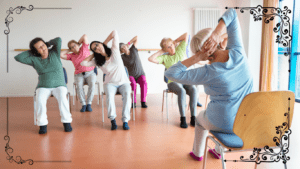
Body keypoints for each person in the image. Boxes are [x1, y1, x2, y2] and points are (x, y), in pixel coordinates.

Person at [164, 8, 253, 161]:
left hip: (224, 122)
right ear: (216, 41)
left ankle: (197, 154)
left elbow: (170, 73)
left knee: (199, 119)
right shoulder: (238, 52)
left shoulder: (208, 72)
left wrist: (197, 57)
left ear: (203, 52)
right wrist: (217, 32)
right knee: (224, 113)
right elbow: (231, 13)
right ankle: (218, 150)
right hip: (247, 120)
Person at [14, 37, 73, 134]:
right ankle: (42, 124)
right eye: (39, 48)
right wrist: (31, 51)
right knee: (40, 99)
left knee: (63, 97)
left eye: (43, 45)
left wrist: (47, 43)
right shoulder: (34, 59)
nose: (43, 48)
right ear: (36, 50)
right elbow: (18, 58)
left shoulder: (54, 53)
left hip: (59, 85)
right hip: (43, 86)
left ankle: (67, 122)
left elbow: (58, 40)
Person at [81, 30, 131, 130]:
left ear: (100, 43)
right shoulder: (97, 61)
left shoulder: (114, 50)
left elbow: (115, 32)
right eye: (94, 48)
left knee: (127, 95)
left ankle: (125, 121)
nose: (97, 48)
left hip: (124, 82)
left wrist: (104, 42)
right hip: (110, 83)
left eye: (97, 45)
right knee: (109, 96)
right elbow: (83, 63)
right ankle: (113, 120)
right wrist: (94, 54)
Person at [148, 33, 198, 128]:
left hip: (184, 80)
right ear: (165, 49)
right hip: (172, 82)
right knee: (182, 91)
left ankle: (193, 118)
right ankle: (182, 118)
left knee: (194, 89)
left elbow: (186, 35)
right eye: (168, 47)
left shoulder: (180, 51)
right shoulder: (164, 57)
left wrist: (174, 41)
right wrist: (161, 51)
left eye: (171, 45)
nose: (171, 48)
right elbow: (151, 59)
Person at [60, 34, 96, 112]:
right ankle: (83, 104)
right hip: (79, 74)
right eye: (71, 47)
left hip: (90, 72)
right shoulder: (71, 56)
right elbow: (61, 54)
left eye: (75, 45)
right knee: (79, 87)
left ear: (78, 45)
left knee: (92, 84)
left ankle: (89, 103)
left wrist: (78, 44)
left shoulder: (84, 48)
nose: (74, 48)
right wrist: (69, 50)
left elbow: (85, 36)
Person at [119, 36, 148, 108]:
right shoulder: (122, 57)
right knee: (133, 84)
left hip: (140, 74)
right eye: (121, 48)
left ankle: (143, 102)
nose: (123, 48)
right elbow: (115, 56)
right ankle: (133, 102)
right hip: (131, 75)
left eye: (123, 46)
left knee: (144, 82)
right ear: (121, 51)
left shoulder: (133, 49)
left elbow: (136, 38)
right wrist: (119, 51)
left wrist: (128, 44)